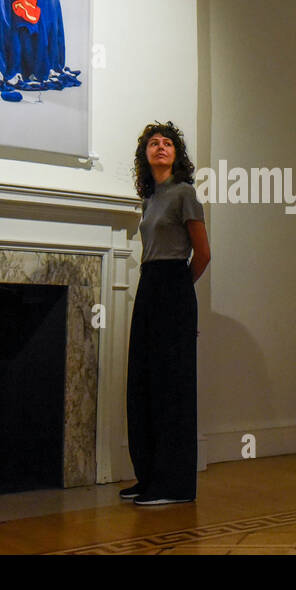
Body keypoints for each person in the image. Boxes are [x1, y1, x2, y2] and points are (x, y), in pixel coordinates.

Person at [120, 122, 210, 505]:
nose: (160, 147)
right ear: (145, 154)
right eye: (153, 143)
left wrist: (178, 292)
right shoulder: (150, 199)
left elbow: (203, 253)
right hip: (149, 284)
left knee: (172, 388)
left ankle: (174, 487)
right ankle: (150, 477)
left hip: (172, 283)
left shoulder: (184, 193)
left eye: (167, 143)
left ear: (177, 154)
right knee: (143, 383)